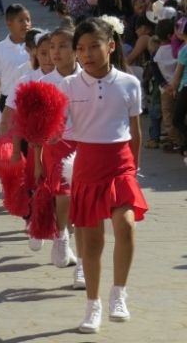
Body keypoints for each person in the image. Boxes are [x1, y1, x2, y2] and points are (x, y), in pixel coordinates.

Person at [58, 17, 148, 333]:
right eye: (81, 48)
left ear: (110, 46)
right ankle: (92, 305)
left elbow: (135, 131)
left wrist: (134, 169)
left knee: (126, 226)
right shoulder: (68, 86)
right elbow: (58, 127)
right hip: (87, 167)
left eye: (94, 46)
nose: (87, 54)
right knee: (92, 242)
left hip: (120, 165)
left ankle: (119, 293)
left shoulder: (129, 83)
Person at [38, 27, 83, 282]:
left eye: (63, 46)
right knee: (64, 194)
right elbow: (36, 127)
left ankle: (83, 266)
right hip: (56, 147)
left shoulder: (88, 78)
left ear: (77, 50)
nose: (56, 52)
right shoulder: (45, 83)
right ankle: (62, 234)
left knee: (85, 201)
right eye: (52, 46)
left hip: (87, 144)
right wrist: (36, 160)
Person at [0, 4, 32, 112]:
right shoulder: (0, 48)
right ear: (9, 22)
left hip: (31, 98)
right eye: (21, 20)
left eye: (28, 20)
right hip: (7, 101)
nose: (26, 24)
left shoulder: (36, 46)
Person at [152, 19, 182, 153]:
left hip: (166, 90)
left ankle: (176, 141)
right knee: (181, 115)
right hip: (180, 87)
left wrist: (165, 85)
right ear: (171, 35)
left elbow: (156, 73)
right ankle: (181, 139)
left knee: (168, 117)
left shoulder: (156, 53)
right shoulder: (180, 50)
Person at [167, 19, 187, 158]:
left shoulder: (184, 50)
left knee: (177, 119)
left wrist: (172, 87)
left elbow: (178, 74)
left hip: (185, 88)